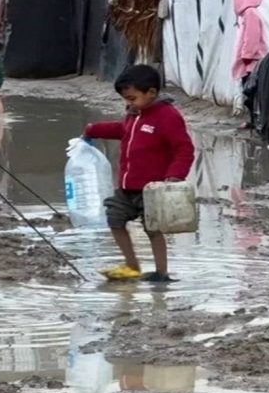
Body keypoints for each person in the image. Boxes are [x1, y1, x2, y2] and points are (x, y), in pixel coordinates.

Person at [83, 65, 195, 282]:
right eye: (126, 99)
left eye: (132, 98)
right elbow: (122, 130)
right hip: (127, 187)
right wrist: (93, 129)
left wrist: (174, 176)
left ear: (151, 93)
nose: (129, 103)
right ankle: (132, 266)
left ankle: (161, 273)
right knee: (114, 219)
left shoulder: (167, 116)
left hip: (153, 189)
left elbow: (184, 149)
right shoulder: (134, 115)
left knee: (153, 228)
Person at [231, 0, 267, 130]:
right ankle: (254, 120)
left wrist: (247, 56)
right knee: (251, 91)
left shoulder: (250, 14)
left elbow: (252, 37)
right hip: (251, 60)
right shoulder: (251, 13)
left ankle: (255, 120)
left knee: (251, 91)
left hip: (252, 62)